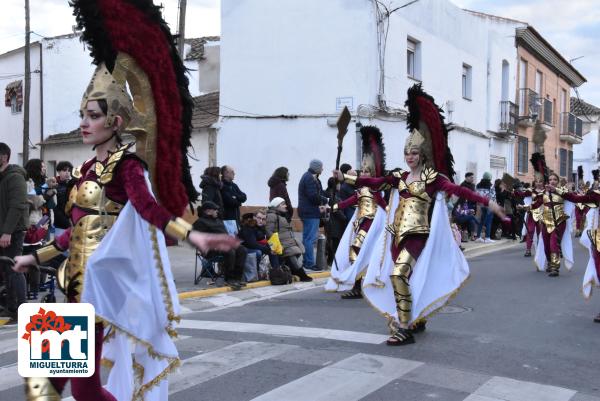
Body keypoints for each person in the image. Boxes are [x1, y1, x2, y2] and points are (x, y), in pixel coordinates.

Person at [11, 2, 238, 399]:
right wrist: (36, 257)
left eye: (93, 115)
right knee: (45, 384)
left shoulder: (127, 167)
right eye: (82, 114)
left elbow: (148, 210)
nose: (84, 122)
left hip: (103, 293)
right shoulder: (84, 171)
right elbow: (76, 232)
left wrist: (193, 236)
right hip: (73, 286)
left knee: (84, 390)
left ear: (115, 122)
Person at [333, 84, 504, 346]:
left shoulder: (432, 178)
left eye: (414, 153)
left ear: (422, 154)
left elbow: (459, 190)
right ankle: (416, 318)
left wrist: (488, 203)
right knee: (405, 277)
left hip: (417, 236)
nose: (410, 157)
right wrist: (345, 176)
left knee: (399, 274)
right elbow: (374, 181)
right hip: (396, 235)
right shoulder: (399, 177)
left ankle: (404, 328)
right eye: (407, 153)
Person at [326, 125, 387, 299]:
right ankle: (358, 286)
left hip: (370, 224)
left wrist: (392, 215)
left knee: (357, 251)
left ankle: (361, 286)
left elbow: (383, 204)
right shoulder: (362, 189)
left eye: (368, 170)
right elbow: (350, 201)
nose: (365, 173)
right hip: (358, 223)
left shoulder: (376, 188)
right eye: (364, 170)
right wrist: (334, 207)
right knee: (354, 253)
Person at [529, 153, 591, 277]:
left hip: (559, 221)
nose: (552, 181)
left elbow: (574, 198)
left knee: (554, 243)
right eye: (550, 179)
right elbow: (536, 204)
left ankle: (555, 268)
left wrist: (555, 190)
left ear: (558, 182)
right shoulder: (544, 193)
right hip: (546, 221)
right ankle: (550, 263)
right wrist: (524, 207)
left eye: (554, 180)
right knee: (546, 245)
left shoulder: (563, 192)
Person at [0, 142, 28, 323]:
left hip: (13, 232)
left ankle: (21, 308)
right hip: (4, 230)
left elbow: (17, 206)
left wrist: (7, 232)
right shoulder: (2, 177)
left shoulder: (15, 177)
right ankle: (11, 307)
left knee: (14, 269)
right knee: (5, 269)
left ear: (3, 157)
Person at [193, 202, 247, 289]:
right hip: (211, 249)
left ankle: (237, 278)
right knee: (230, 251)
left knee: (242, 250)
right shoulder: (200, 222)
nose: (217, 211)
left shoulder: (218, 220)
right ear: (208, 211)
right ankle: (229, 279)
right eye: (215, 210)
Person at [265, 197, 312, 281]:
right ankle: (302, 274)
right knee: (292, 257)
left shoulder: (280, 215)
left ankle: (294, 272)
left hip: (289, 242)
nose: (285, 206)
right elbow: (269, 231)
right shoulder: (272, 216)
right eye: (283, 204)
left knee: (296, 254)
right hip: (282, 243)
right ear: (276, 206)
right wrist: (276, 245)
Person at [298, 159, 329, 271]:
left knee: (307, 238)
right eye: (321, 167)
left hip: (307, 211)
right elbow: (313, 196)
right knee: (310, 239)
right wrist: (326, 200)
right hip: (310, 213)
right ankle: (310, 263)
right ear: (317, 168)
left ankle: (307, 261)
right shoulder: (310, 178)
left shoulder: (308, 176)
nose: (322, 169)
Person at [514, 177, 545, 257]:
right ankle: (528, 249)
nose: (538, 183)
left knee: (540, 232)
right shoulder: (530, 191)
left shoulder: (546, 192)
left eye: (540, 181)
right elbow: (521, 194)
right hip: (532, 214)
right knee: (530, 231)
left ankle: (540, 249)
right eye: (537, 181)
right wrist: (514, 190)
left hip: (542, 215)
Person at [220, 165, 247, 235]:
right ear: (226, 173)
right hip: (227, 219)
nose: (234, 174)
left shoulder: (234, 185)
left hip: (236, 218)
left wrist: (235, 197)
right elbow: (230, 201)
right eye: (232, 172)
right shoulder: (222, 186)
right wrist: (238, 201)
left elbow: (244, 197)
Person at [53, 160, 75, 237]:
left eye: (69, 170)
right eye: (64, 170)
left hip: (72, 221)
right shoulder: (54, 184)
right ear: (59, 171)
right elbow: (55, 206)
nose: (67, 173)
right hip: (59, 223)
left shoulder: (73, 184)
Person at [474, 172, 495, 244]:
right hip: (489, 205)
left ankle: (478, 237)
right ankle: (487, 237)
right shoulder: (491, 186)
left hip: (481, 205)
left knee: (481, 221)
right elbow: (493, 196)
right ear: (490, 178)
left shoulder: (478, 185)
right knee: (489, 221)